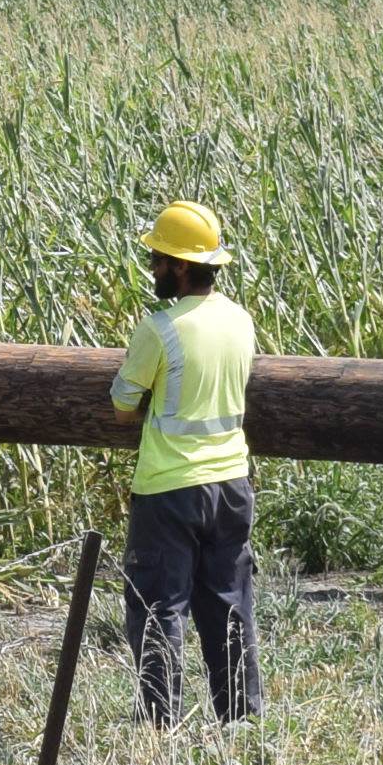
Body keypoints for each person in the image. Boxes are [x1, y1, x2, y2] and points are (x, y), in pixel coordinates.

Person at [109, 200, 260, 728]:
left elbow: (123, 399)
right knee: (229, 603)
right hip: (233, 483)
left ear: (180, 265)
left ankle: (159, 726)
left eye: (157, 259)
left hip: (169, 487)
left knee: (158, 607)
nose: (152, 269)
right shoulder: (241, 322)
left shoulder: (160, 328)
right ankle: (240, 720)